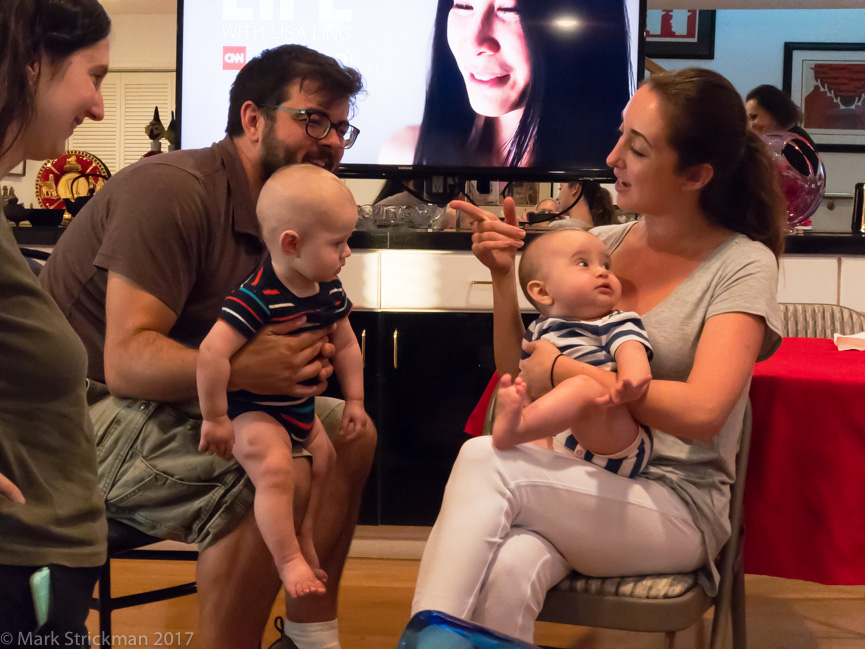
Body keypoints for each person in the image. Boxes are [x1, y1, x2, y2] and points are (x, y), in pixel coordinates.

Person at [411, 67, 786, 643]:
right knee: (508, 571)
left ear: (696, 174)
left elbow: (703, 411)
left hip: (676, 503)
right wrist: (504, 280)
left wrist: (568, 371)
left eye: (636, 148)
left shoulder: (742, 265)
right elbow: (522, 373)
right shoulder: (600, 249)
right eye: (620, 136)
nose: (611, 157)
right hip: (576, 477)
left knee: (487, 461)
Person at [40, 45, 376, 649]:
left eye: (341, 126)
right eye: (312, 119)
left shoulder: (292, 217)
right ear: (253, 119)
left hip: (176, 401)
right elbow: (127, 360)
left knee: (352, 437)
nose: (331, 141)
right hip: (69, 414)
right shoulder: (174, 190)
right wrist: (250, 367)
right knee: (266, 473)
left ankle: (309, 637)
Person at [197, 165, 366, 599]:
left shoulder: (328, 289)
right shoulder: (256, 296)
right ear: (291, 243)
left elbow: (346, 346)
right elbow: (212, 353)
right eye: (337, 243)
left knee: (326, 461)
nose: (347, 252)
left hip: (298, 410)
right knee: (277, 470)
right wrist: (215, 417)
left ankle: (303, 536)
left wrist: (356, 401)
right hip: (251, 411)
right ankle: (288, 559)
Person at [1, 0, 110, 646]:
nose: (99, 105)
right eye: (93, 76)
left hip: (45, 555)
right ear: (32, 65)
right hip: (21, 562)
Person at [379, 0, 632, 169]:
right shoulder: (407, 153)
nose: (476, 42)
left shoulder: (620, 168)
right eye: (465, 5)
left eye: (511, 11)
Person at [493, 229, 653, 481]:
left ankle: (520, 427)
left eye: (606, 265)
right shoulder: (540, 329)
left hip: (615, 445)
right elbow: (517, 369)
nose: (603, 271)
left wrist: (633, 378)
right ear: (542, 292)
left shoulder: (616, 320)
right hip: (560, 442)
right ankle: (523, 431)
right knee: (525, 392)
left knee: (584, 387)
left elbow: (631, 349)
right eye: (583, 263)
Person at [745, 84, 816, 149]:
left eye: (754, 117)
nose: (750, 125)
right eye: (747, 119)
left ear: (773, 112)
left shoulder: (793, 142)